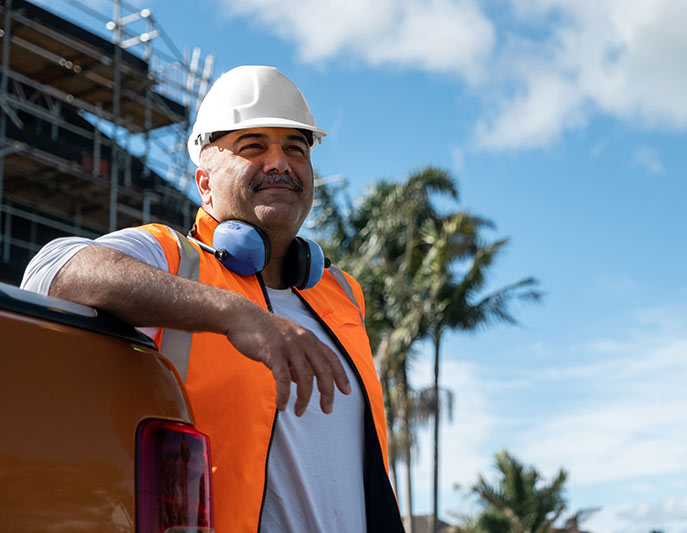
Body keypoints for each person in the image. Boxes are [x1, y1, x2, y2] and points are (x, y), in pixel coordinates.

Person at [21, 65, 404, 532]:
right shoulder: (173, 257)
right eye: (253, 146)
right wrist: (235, 313)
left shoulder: (341, 293)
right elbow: (52, 270)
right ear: (204, 182)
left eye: (295, 148)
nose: (280, 162)